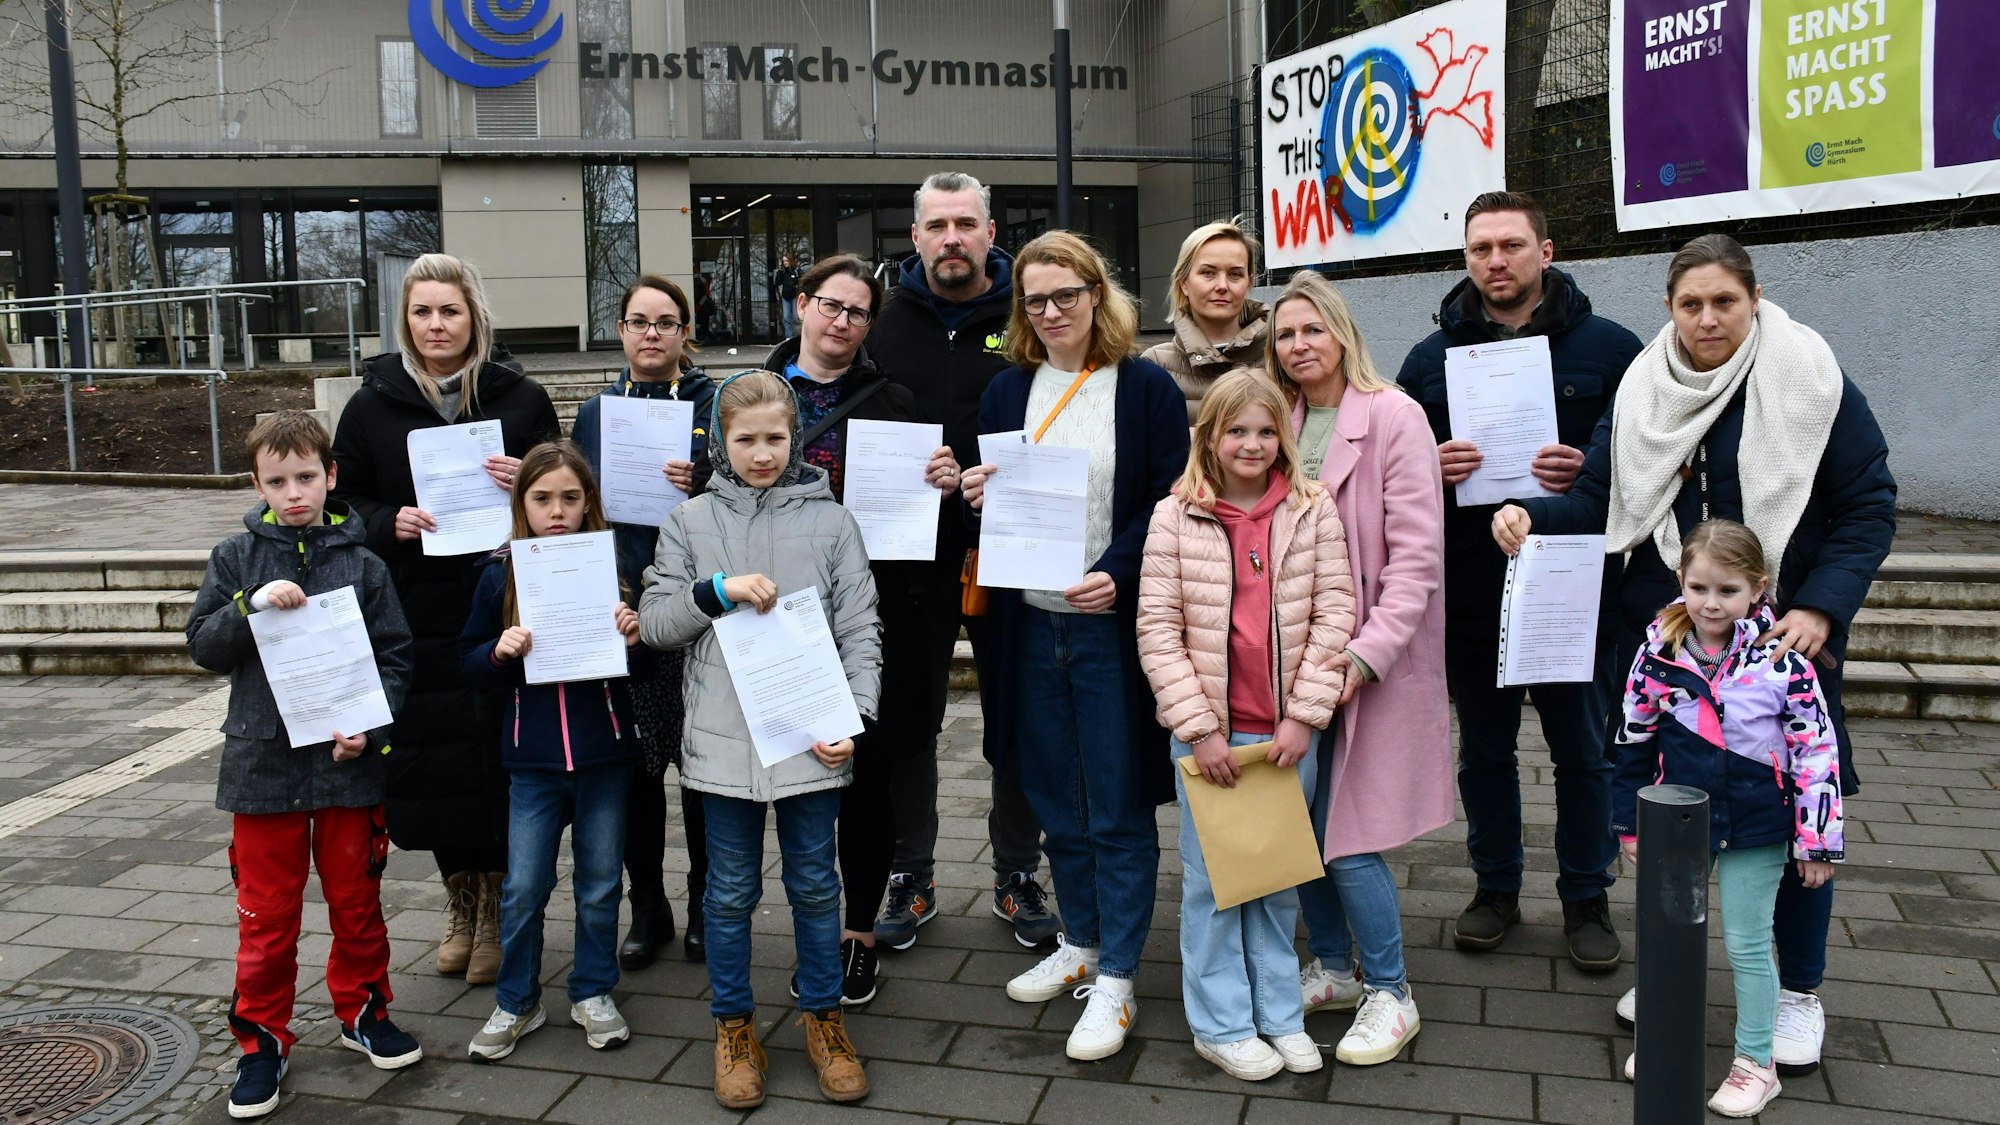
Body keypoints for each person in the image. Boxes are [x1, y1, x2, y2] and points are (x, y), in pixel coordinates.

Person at [1493, 233, 1895, 1073]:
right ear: (1669, 307)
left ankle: (1797, 993)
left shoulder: (1811, 376)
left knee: (1787, 815)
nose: (1707, 318)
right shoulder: (1645, 383)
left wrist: (1822, 607)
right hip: (1671, 642)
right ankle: (1674, 972)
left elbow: (1868, 503)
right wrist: (1532, 515)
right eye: (1690, 303)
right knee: (1669, 812)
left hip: (1784, 635)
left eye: (1724, 301)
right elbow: (1604, 495)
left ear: (1752, 299)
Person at [1394, 191, 1641, 969]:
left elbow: (1648, 465)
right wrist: (1428, 468)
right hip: (1471, 589)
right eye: (1479, 249)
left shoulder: (1611, 349)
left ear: (1547, 250)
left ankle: (1585, 896)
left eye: (1509, 245)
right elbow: (1392, 476)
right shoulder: (1429, 359)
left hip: (1571, 585)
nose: (1494, 261)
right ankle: (1495, 887)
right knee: (1486, 755)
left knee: (1584, 754)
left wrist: (1592, 471)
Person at [960, 230, 1190, 1061]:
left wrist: (1118, 572)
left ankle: (1121, 975)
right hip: (1028, 624)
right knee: (1055, 795)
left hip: (1109, 630)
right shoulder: (1005, 392)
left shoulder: (1146, 389)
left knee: (1120, 801)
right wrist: (971, 492)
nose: (1051, 312)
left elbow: (1171, 502)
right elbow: (980, 509)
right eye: (1035, 300)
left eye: (1066, 294)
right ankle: (1083, 941)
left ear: (1099, 293)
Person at [639, 370, 882, 1108]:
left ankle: (823, 1016)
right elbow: (654, 623)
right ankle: (734, 1023)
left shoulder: (833, 521)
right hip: (722, 744)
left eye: (776, 437)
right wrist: (716, 590)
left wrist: (853, 717)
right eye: (745, 439)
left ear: (796, 436)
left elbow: (860, 628)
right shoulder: (689, 522)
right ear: (721, 442)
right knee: (730, 889)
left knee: (814, 882)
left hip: (810, 738)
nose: (763, 452)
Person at [330, 252, 561, 986]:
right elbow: (343, 504)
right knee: (431, 765)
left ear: (475, 318)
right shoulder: (370, 405)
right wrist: (384, 520)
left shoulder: (520, 398)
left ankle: (497, 900)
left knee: (498, 759)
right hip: (411, 610)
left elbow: (567, 485)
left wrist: (526, 472)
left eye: (450, 310)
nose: (436, 324)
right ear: (406, 319)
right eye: (423, 311)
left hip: (503, 602)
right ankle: (458, 895)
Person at [186, 411, 419, 1118]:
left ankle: (363, 1010)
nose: (295, 493)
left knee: (357, 901)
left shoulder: (364, 562)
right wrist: (248, 607)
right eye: (279, 481)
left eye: (307, 477)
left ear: (331, 476)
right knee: (266, 915)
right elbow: (203, 644)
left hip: (346, 767)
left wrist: (370, 728)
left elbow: (396, 657)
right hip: (263, 771)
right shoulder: (236, 558)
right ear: (256, 484)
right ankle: (261, 1040)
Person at [1136, 371, 1356, 1081]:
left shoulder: (1312, 508)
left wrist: (1304, 716)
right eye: (1237, 431)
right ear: (1211, 437)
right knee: (1212, 885)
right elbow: (1158, 631)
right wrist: (1197, 728)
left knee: (1276, 876)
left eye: (1266, 431)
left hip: (1288, 738)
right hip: (1212, 740)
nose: (1252, 444)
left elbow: (1335, 616)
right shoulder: (1175, 515)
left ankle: (1280, 1012)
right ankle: (1222, 1022)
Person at [1265, 270, 1452, 1066]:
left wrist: (1367, 654)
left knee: (1350, 831)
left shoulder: (1395, 414)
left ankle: (1391, 988)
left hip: (1367, 659)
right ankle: (1334, 966)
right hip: (1290, 656)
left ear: (1342, 332)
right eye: (1284, 334)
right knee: (1299, 822)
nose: (1299, 345)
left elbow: (1417, 558)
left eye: (1312, 329)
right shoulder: (1282, 416)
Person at [867, 171, 1056, 952]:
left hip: (1013, 544)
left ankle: (1016, 870)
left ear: (989, 232)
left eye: (966, 224)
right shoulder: (880, 319)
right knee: (910, 716)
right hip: (907, 556)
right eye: (937, 225)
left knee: (1015, 714)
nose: (952, 238)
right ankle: (912, 872)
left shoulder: (1028, 314)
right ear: (914, 237)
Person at [765, 252, 957, 1003]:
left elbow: (927, 531)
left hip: (867, 619)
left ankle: (856, 935)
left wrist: (943, 485)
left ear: (869, 324)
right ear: (803, 306)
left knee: (869, 781)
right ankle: (813, 927)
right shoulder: (750, 397)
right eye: (829, 304)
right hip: (777, 617)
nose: (841, 320)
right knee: (803, 784)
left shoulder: (897, 402)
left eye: (856, 311)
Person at [1612, 519, 1843, 1117]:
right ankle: (1666, 1042)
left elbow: (1816, 750)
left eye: (1728, 591)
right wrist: (1629, 820)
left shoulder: (1782, 661)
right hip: (1678, 822)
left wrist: (1815, 841)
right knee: (1669, 935)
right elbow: (1633, 737)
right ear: (1681, 582)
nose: (1711, 604)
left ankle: (1755, 1063)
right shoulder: (1658, 651)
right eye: (1698, 588)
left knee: (1745, 942)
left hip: (1757, 826)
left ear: (1758, 589)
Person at [459, 442, 645, 1062]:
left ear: (589, 501)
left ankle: (592, 991)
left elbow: (646, 663)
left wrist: (634, 638)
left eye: (570, 497)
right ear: (522, 504)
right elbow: (468, 660)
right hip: (532, 761)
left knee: (598, 885)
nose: (557, 510)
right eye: (542, 499)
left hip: (604, 755)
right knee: (523, 888)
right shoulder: (498, 571)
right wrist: (498, 651)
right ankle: (517, 1000)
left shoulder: (615, 567)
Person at [569, 275, 716, 969]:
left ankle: (709, 901)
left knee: (708, 768)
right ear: (621, 331)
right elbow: (573, 506)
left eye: (665, 321)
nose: (651, 333)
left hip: (702, 611)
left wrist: (707, 481)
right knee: (637, 770)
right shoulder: (596, 411)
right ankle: (649, 904)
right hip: (625, 611)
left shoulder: (712, 403)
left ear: (685, 331)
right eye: (638, 321)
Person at [1140, 219, 1270, 424]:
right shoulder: (1154, 365)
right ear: (1183, 283)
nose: (1222, 285)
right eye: (1208, 273)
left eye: (1235, 274)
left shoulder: (1278, 355)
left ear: (1248, 283)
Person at [772, 252, 803, 338]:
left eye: (786, 261)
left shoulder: (796, 271)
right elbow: (777, 282)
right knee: (786, 319)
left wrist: (797, 288)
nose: (785, 263)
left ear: (790, 261)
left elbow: (802, 282)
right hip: (786, 297)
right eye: (783, 261)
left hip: (794, 296)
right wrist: (780, 271)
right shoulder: (783, 272)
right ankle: (788, 338)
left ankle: (801, 336)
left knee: (796, 318)